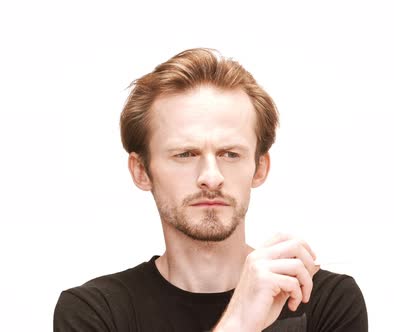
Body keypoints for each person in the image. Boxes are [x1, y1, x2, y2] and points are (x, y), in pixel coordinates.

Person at [53, 48, 368, 332]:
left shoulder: (322, 299)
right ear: (141, 171)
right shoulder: (95, 312)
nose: (211, 177)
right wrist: (240, 322)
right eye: (185, 154)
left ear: (260, 168)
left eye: (230, 154)